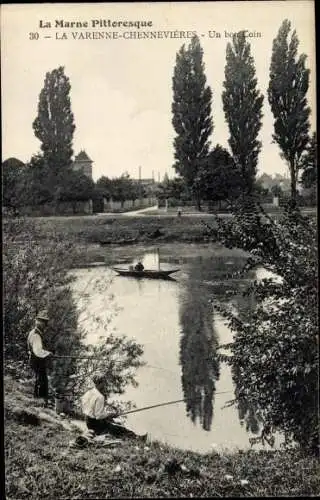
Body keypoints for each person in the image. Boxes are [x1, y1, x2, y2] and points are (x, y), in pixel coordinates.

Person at [81, 374, 147, 441]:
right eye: (104, 383)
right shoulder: (100, 397)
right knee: (120, 429)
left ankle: (132, 436)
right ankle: (137, 438)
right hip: (96, 425)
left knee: (114, 424)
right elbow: (98, 416)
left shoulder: (88, 393)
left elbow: (89, 410)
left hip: (88, 421)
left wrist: (107, 414)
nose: (105, 385)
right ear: (101, 383)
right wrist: (110, 414)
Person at [27, 310, 53, 406]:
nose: (46, 325)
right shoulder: (36, 335)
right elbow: (38, 351)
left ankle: (39, 403)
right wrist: (48, 354)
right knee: (41, 383)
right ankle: (39, 404)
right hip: (37, 362)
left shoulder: (33, 332)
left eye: (45, 322)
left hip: (35, 361)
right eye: (44, 322)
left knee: (39, 381)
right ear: (39, 322)